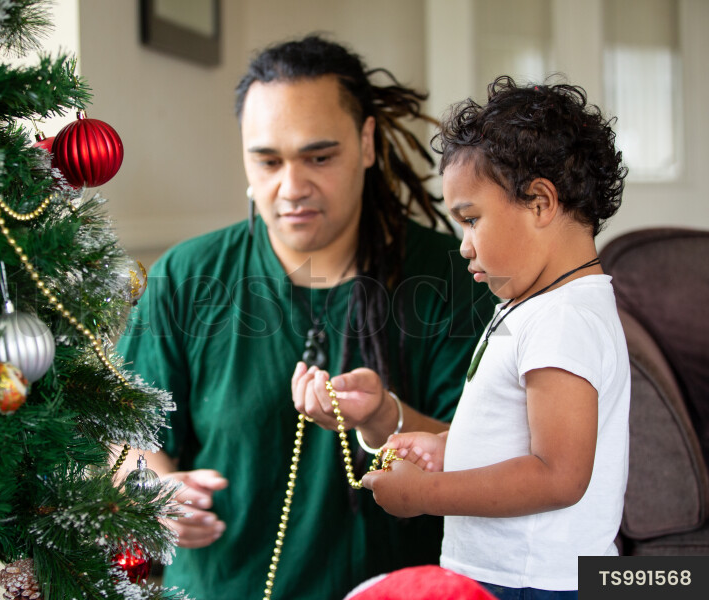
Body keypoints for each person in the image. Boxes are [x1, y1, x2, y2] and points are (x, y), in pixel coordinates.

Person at [118, 35, 493, 600]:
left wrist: (386, 417)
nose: (291, 188)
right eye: (268, 161)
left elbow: (487, 462)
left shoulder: (452, 278)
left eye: (319, 157)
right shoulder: (186, 276)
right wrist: (154, 492)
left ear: (366, 142)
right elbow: (124, 438)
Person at [353, 76, 630, 599]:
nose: (464, 246)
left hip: (529, 584)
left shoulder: (562, 319)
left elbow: (558, 475)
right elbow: (516, 435)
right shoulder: (538, 305)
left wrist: (428, 493)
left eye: (471, 219)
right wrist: (448, 448)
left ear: (540, 203)